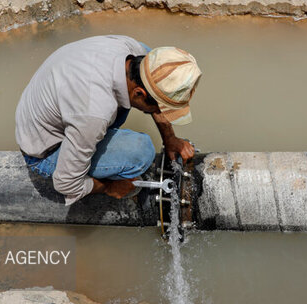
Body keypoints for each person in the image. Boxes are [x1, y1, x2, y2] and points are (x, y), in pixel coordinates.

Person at [15, 35, 202, 205]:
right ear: (139, 93)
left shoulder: (133, 51)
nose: (163, 114)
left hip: (56, 104)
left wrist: (170, 139)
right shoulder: (93, 112)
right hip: (45, 151)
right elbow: (65, 184)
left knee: (146, 52)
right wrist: (109, 187)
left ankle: (85, 143)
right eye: (162, 108)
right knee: (140, 152)